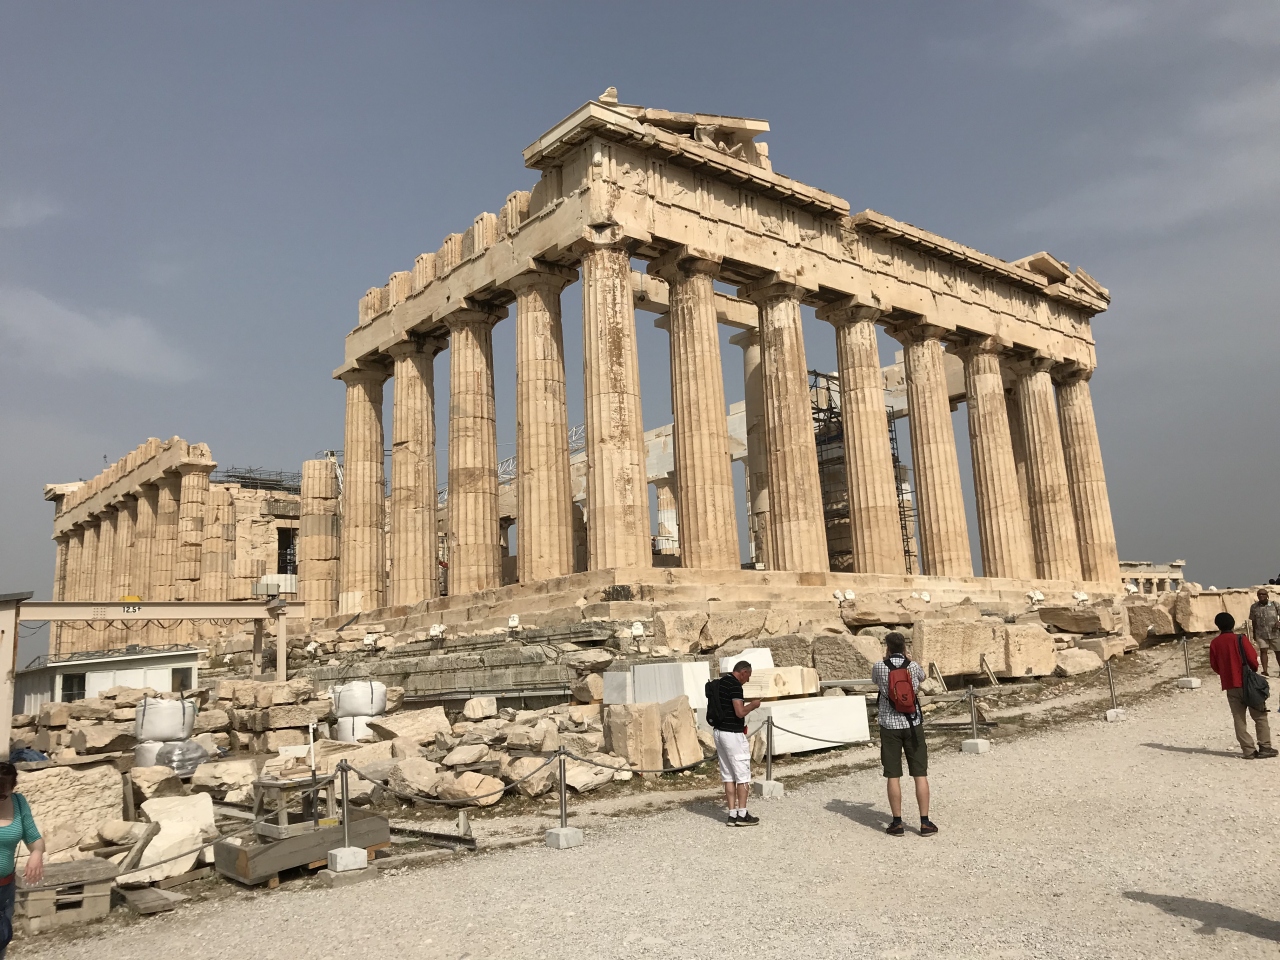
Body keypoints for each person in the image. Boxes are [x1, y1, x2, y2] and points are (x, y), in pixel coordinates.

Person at [871, 632, 937, 836]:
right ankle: (925, 822)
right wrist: (908, 660)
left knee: (893, 775)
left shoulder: (879, 667)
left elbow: (876, 683)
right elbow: (923, 678)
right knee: (920, 774)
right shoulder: (913, 666)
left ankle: (897, 823)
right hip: (912, 723)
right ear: (904, 648)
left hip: (889, 725)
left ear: (887, 648)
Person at [1209, 612, 1276, 759]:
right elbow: (1252, 659)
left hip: (1230, 685)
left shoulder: (1215, 643)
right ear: (1233, 624)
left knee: (1239, 719)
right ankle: (1265, 746)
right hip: (1248, 683)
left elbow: (1214, 665)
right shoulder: (1240, 639)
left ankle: (1248, 750)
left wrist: (1226, 673)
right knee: (1259, 715)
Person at [0, 762, 44, 958]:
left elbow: (34, 838)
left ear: (12, 787)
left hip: (5, 890)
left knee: (1, 941)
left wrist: (36, 854)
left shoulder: (18, 803)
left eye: (1, 796)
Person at [711, 660, 762, 826]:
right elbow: (739, 712)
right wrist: (753, 705)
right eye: (748, 677)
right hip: (732, 734)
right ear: (743, 672)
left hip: (719, 732)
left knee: (728, 775)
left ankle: (732, 814)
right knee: (742, 774)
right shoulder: (735, 686)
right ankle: (742, 813)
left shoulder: (720, 683)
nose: (747, 681)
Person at [1248, 588, 1280, 676]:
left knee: (1278, 651)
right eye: (1259, 594)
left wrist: (1279, 622)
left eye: (1263, 594)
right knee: (1263, 651)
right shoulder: (1254, 607)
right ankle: (1265, 671)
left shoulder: (1274, 605)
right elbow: (1253, 621)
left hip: (1275, 633)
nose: (1261, 596)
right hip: (1261, 633)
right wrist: (1254, 633)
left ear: (1267, 595)